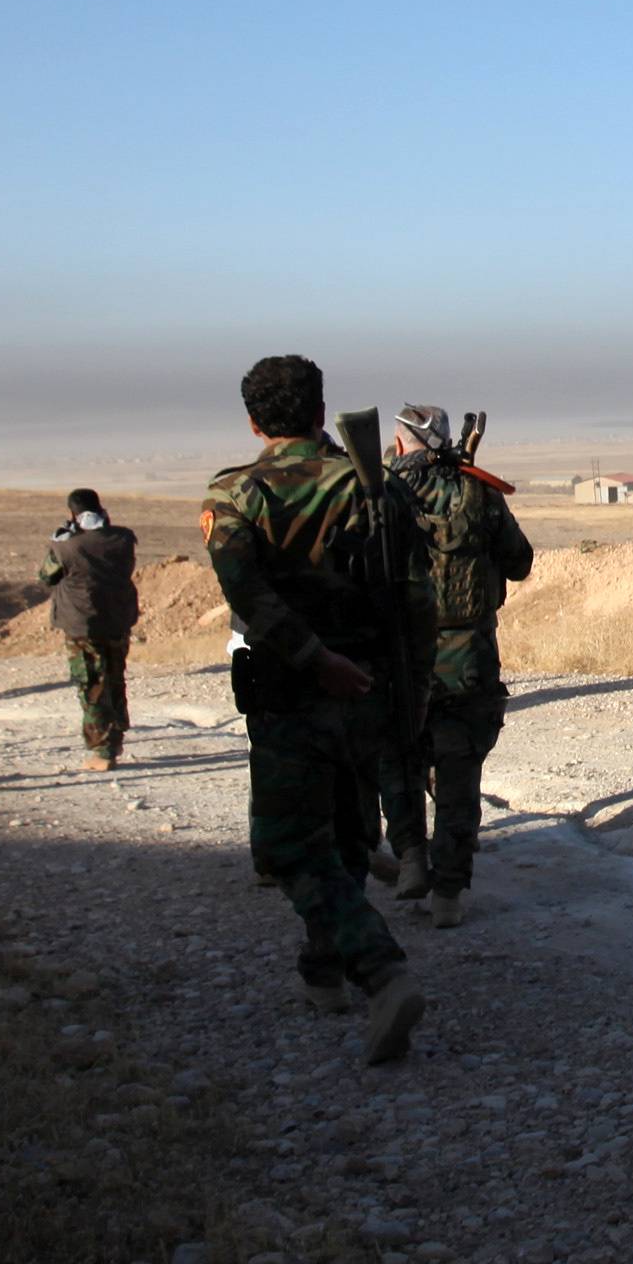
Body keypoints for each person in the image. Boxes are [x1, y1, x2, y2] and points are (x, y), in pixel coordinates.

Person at [202, 354, 431, 1065]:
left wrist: (313, 658)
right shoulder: (374, 488)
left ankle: (380, 971)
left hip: (292, 693)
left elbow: (247, 595)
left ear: (252, 420)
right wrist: (409, 694)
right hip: (368, 692)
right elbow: (417, 600)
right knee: (350, 837)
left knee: (291, 847)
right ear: (315, 408)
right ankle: (323, 971)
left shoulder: (239, 494)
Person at [378, 405, 533, 928]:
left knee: (397, 759)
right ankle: (448, 892)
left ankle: (409, 857)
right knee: (459, 771)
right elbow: (520, 561)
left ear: (400, 445)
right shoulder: (478, 492)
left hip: (397, 656)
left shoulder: (374, 495)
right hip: (467, 658)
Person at [38, 487, 140, 771]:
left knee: (92, 684)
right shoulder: (122, 538)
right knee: (115, 677)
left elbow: (46, 576)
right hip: (118, 619)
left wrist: (61, 540)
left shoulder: (67, 547)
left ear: (73, 514)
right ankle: (115, 738)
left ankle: (102, 751)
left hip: (82, 623)